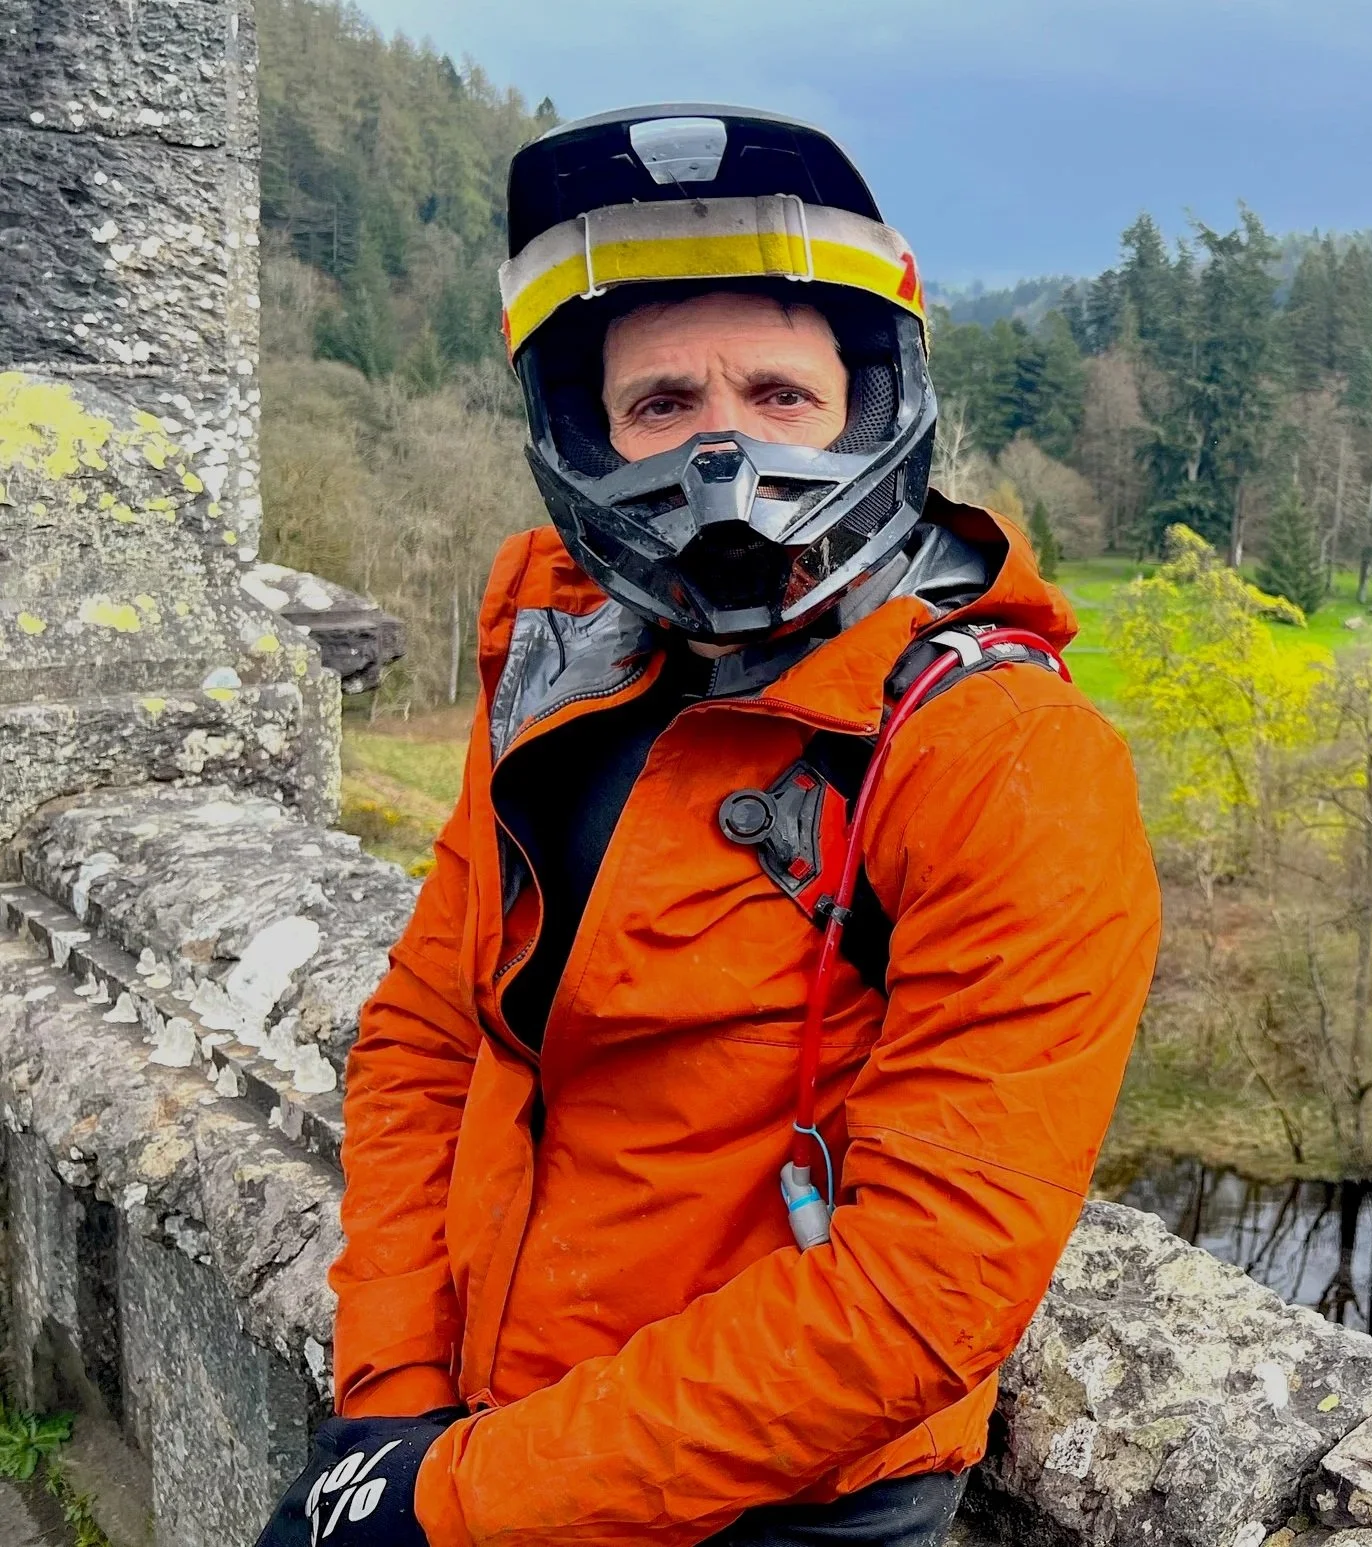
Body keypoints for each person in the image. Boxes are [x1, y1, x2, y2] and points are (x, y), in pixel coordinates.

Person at [252, 106, 1160, 1547]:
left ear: (869, 405)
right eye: (662, 402)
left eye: (778, 394)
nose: (722, 453)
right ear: (585, 430)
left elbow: (920, 1288)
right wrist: (392, 1400)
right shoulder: (564, 655)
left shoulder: (1001, 759)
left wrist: (452, 1503)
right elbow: (431, 1034)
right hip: (482, 1418)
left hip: (775, 1496)